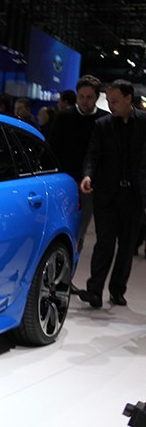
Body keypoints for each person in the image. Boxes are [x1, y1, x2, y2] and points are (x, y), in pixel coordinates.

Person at [77, 79, 146, 308]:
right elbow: (93, 154)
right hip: (107, 195)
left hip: (134, 196)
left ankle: (117, 291)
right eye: (108, 101)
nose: (111, 105)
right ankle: (94, 291)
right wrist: (88, 175)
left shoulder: (144, 123)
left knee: (127, 247)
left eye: (115, 101)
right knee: (104, 243)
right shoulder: (103, 125)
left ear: (128, 99)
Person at [47, 75, 108, 254]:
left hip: (89, 184)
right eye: (81, 96)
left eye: (89, 97)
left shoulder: (104, 120)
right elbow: (52, 147)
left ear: (96, 97)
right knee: (59, 225)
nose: (84, 101)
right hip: (64, 181)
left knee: (80, 230)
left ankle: (72, 261)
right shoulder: (63, 116)